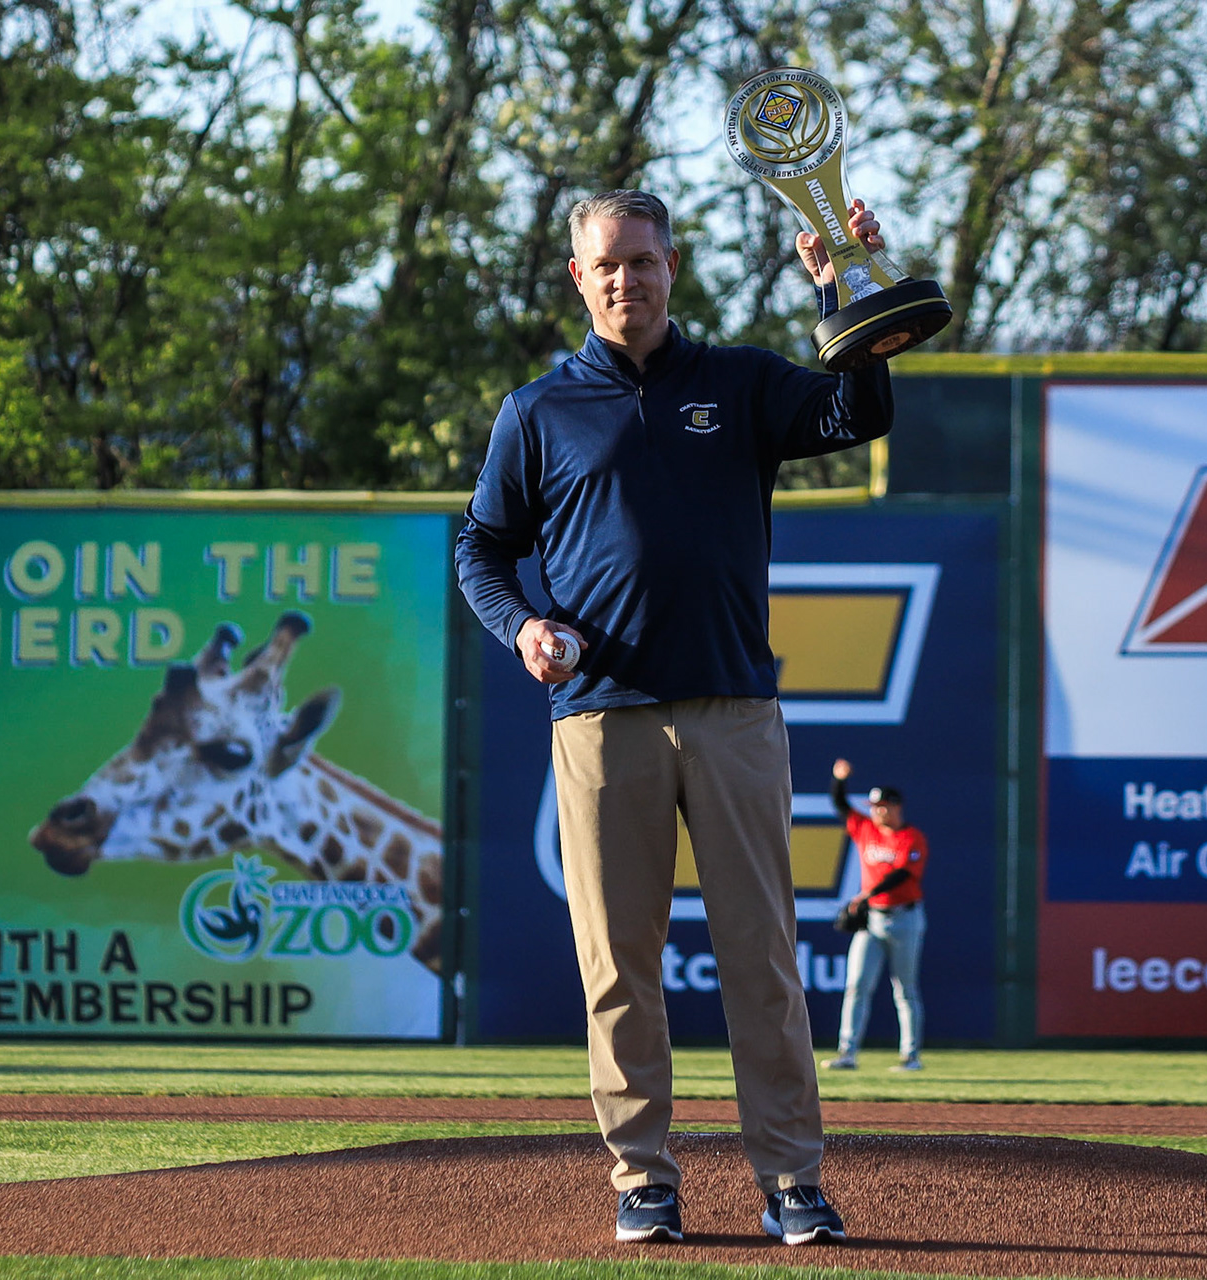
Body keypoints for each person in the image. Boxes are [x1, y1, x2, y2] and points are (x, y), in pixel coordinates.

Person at [455, 188, 896, 1247]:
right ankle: (642, 1176)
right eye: (605, 265)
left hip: (735, 708)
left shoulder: (737, 380)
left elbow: (859, 413)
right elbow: (480, 547)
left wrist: (849, 287)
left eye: (643, 261)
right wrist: (521, 627)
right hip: (600, 717)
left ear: (673, 265)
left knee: (762, 958)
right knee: (618, 963)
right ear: (578, 276)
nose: (625, 280)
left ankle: (792, 1179)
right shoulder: (537, 410)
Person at [820, 759, 928, 1073]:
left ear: (896, 807)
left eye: (882, 806)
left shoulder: (912, 837)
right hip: (871, 921)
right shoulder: (865, 827)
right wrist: (838, 779)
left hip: (905, 918)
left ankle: (911, 1057)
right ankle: (847, 1053)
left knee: (905, 990)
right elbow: (840, 804)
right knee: (856, 986)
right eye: (874, 806)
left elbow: (903, 875)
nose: (877, 811)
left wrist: (867, 894)